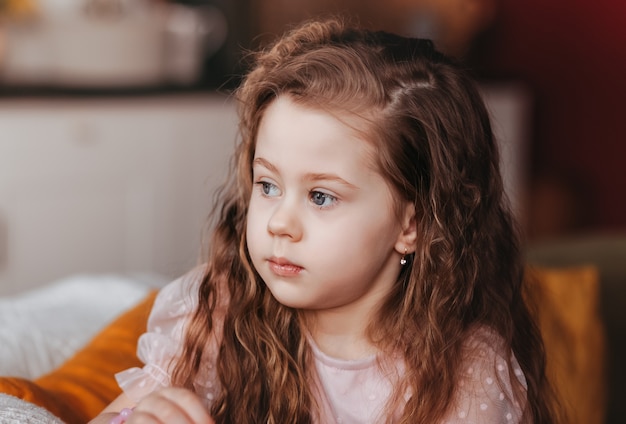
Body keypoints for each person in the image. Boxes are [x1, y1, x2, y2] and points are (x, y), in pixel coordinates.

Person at [90, 18, 559, 424]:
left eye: (321, 196)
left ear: (411, 226)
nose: (280, 223)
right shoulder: (222, 310)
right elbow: (115, 413)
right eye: (268, 186)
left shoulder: (462, 368)